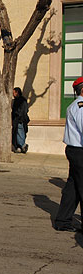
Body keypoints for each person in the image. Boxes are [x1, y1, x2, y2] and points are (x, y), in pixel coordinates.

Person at [59, 76, 83, 235]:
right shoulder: (81, 107)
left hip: (74, 151)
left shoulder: (74, 106)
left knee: (73, 188)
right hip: (79, 151)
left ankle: (63, 220)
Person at [12, 87, 29, 153]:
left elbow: (23, 111)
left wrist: (19, 117)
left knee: (20, 133)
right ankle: (19, 147)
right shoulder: (16, 100)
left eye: (14, 93)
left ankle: (23, 145)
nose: (13, 94)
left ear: (17, 92)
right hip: (16, 120)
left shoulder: (22, 100)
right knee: (16, 134)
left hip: (20, 120)